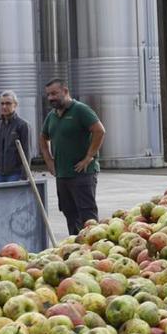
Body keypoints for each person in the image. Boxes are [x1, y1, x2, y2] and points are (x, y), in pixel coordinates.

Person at [40, 78, 105, 236]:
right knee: (69, 213)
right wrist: (49, 161)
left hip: (82, 174)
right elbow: (43, 138)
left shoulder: (80, 110)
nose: (51, 98)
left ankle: (93, 249)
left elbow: (99, 131)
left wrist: (89, 156)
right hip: (62, 175)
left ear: (65, 91)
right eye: (48, 95)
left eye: (54, 93)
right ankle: (76, 247)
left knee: (87, 216)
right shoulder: (52, 116)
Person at [0, 90, 31, 183]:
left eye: (8, 103)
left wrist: (24, 176)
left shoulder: (22, 125)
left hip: (15, 174)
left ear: (15, 105)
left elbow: (26, 152)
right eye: (2, 103)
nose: (4, 106)